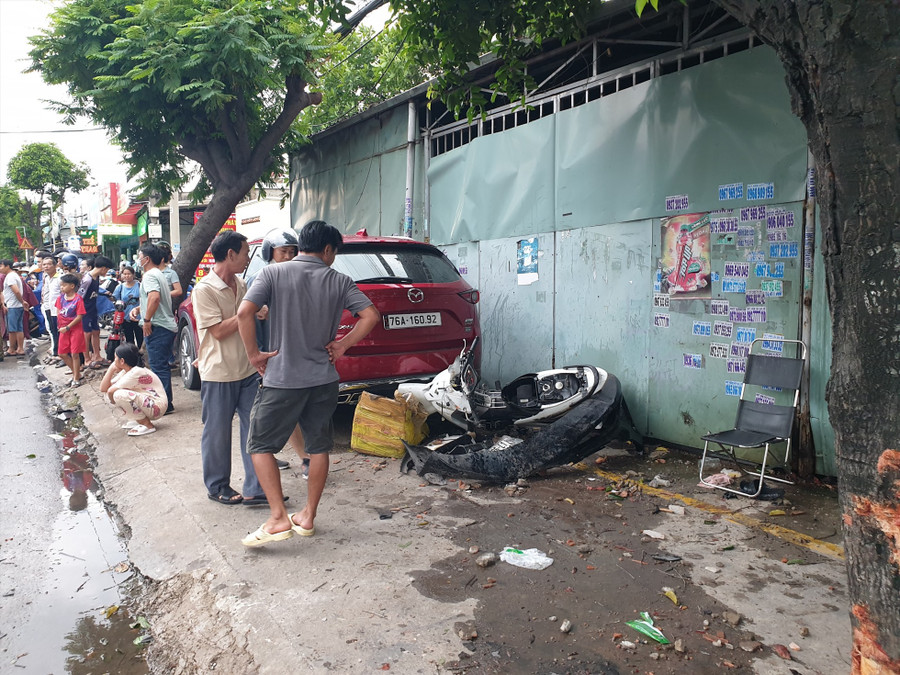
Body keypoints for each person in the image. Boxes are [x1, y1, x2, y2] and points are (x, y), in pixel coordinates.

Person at [236, 220, 380, 547]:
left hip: (282, 379)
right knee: (318, 448)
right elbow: (371, 316)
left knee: (260, 446)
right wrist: (342, 346)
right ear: (327, 249)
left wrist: (254, 355)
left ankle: (277, 518)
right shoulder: (339, 280)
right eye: (334, 252)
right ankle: (307, 516)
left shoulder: (273, 273)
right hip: (323, 379)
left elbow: (245, 313)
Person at [192, 230, 264, 505]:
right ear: (230, 254)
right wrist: (248, 313)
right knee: (218, 433)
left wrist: (255, 313)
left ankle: (256, 487)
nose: (248, 259)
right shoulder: (204, 290)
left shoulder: (241, 284)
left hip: (247, 368)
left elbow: (246, 319)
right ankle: (217, 485)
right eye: (245, 253)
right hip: (218, 372)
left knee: (254, 429)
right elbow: (219, 331)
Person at [251, 228, 309, 478]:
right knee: (276, 410)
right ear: (270, 253)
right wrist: (257, 353)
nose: (288, 256)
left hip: (297, 351)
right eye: (283, 251)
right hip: (270, 355)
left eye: (292, 252)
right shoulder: (262, 278)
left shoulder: (303, 276)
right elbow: (247, 318)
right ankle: (298, 457)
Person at [130, 244, 177, 413]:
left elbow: (155, 297)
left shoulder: (150, 275)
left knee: (158, 367)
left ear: (147, 259)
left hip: (158, 327)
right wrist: (140, 309)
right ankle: (165, 402)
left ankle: (164, 404)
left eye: (140, 257)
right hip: (164, 325)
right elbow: (154, 298)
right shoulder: (159, 274)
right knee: (161, 365)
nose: (138, 260)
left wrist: (147, 319)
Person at [99, 342, 168, 436]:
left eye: (115, 358)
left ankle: (147, 425)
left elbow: (111, 391)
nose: (114, 361)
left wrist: (115, 401)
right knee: (109, 395)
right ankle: (137, 419)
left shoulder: (136, 372)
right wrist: (111, 370)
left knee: (118, 395)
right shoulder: (126, 371)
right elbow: (104, 388)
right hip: (149, 403)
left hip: (157, 406)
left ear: (122, 361)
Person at [79, 255, 114, 369]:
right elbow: (79, 297)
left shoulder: (96, 277)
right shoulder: (87, 280)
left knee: (96, 331)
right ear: (103, 268)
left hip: (93, 309)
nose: (106, 273)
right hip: (85, 310)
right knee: (86, 334)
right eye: (107, 270)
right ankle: (86, 359)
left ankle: (97, 355)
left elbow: (97, 291)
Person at [55, 273, 87, 386]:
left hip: (75, 329)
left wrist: (68, 326)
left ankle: (76, 378)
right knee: (62, 353)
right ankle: (76, 373)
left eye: (64, 285)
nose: (62, 287)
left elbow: (79, 316)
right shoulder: (60, 298)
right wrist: (61, 326)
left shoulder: (78, 299)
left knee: (75, 354)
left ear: (72, 286)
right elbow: (58, 312)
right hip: (63, 329)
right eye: (61, 285)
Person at [0, 259, 28, 357]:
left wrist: (22, 301)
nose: (0, 268)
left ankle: (12, 349)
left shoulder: (11, 277)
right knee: (18, 328)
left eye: (1, 266)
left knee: (12, 329)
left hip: (13, 306)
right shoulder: (12, 275)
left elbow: (16, 291)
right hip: (16, 305)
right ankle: (19, 348)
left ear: (7, 266)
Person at [113, 266, 142, 348]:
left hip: (138, 317)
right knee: (129, 340)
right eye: (124, 274)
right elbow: (115, 300)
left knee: (140, 338)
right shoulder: (120, 287)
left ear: (133, 274)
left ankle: (140, 355)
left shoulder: (139, 285)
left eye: (129, 274)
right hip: (125, 317)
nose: (126, 276)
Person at [40, 256, 62, 363]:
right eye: (44, 264)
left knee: (59, 332)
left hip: (58, 310)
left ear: (55, 265)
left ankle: (61, 354)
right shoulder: (47, 278)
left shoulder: (60, 278)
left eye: (49, 264)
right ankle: (56, 352)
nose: (46, 266)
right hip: (49, 308)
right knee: (53, 331)